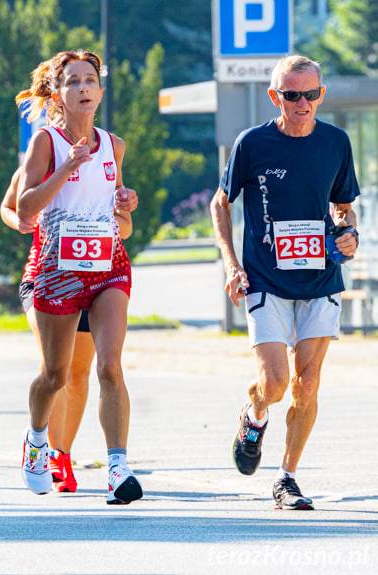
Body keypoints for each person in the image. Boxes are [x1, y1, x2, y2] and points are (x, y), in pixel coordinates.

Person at [210, 55, 360, 511]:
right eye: (291, 95)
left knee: (308, 382)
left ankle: (286, 476)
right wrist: (231, 265)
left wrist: (348, 232)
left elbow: (343, 206)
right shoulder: (253, 143)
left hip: (320, 279)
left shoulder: (335, 142)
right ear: (276, 96)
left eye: (310, 94)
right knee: (274, 383)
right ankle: (254, 417)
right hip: (265, 279)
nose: (302, 103)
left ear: (321, 96)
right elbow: (221, 203)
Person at [16, 50, 142, 503]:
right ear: (58, 94)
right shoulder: (46, 143)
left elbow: (123, 227)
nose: (84, 88)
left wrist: (124, 206)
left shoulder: (114, 145)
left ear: (101, 92)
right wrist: (68, 167)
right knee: (56, 375)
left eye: (90, 80)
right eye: (73, 82)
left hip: (107, 266)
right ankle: (36, 442)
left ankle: (117, 467)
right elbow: (25, 208)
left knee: (110, 365)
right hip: (56, 270)